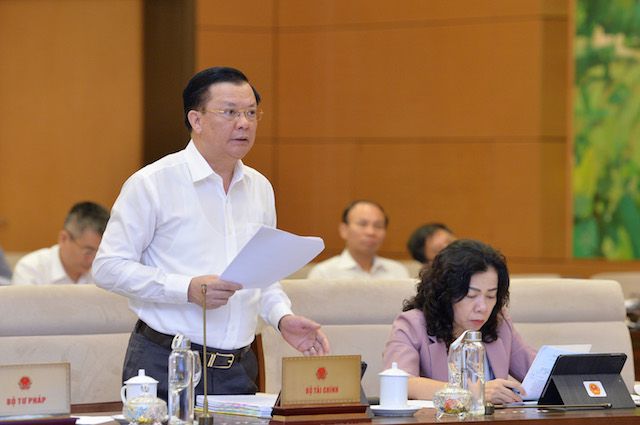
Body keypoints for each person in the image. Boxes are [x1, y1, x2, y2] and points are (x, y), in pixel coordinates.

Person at [93, 66, 330, 401]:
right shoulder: (153, 183)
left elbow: (263, 276)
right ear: (197, 120)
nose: (244, 123)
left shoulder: (260, 188)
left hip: (239, 368)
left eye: (251, 113)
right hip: (167, 360)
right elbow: (108, 267)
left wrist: (282, 318)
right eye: (230, 112)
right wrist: (186, 288)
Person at [383, 239, 536, 404]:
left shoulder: (499, 322)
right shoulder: (412, 324)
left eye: (491, 296)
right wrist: (473, 392)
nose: (483, 307)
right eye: (471, 295)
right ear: (446, 293)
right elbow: (401, 383)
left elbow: (538, 372)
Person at [308, 200, 409, 280]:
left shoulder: (398, 272)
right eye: (362, 224)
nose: (371, 232)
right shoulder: (324, 274)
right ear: (344, 230)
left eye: (378, 226)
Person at [12, 202, 109, 285]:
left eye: (100, 252)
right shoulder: (31, 270)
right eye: (88, 252)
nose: (93, 260)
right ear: (64, 238)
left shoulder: (105, 272)